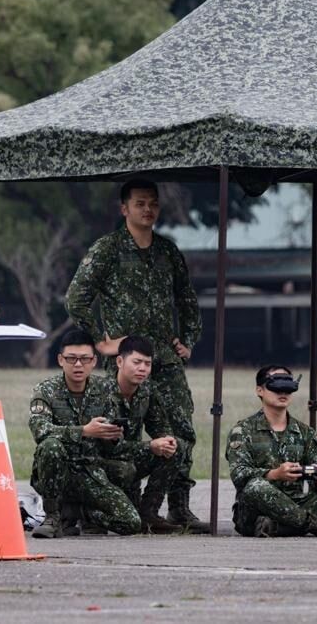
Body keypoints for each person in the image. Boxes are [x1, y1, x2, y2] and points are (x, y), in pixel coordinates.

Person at [66, 179, 206, 532]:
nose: (148, 209)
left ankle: (175, 508)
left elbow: (187, 300)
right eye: (140, 203)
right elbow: (76, 298)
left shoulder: (167, 251)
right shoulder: (108, 248)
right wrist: (101, 340)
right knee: (119, 433)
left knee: (180, 432)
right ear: (124, 208)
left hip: (165, 360)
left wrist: (188, 340)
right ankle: (120, 505)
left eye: (153, 203)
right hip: (126, 362)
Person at [28, 329, 141, 538]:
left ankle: (82, 513)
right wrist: (84, 431)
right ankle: (52, 517)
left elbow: (113, 443)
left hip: (90, 470)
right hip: (58, 471)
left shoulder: (105, 389)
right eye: (71, 359)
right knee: (50, 446)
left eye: (84, 359)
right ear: (61, 360)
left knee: (130, 522)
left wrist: (112, 436)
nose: (78, 365)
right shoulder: (46, 390)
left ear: (94, 361)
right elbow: (40, 430)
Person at [225, 365, 317, 538]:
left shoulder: (305, 432)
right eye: (276, 387)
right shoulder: (243, 431)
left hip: (296, 503)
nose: (283, 393)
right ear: (260, 390)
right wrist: (274, 474)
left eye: (288, 388)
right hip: (255, 510)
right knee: (255, 486)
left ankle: (277, 528)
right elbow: (239, 475)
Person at [101, 335, 184, 533]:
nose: (143, 369)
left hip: (129, 458)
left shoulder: (147, 390)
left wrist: (167, 441)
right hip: (102, 463)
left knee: (176, 448)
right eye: (136, 362)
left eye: (147, 364)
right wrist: (150, 446)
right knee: (124, 470)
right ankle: (89, 512)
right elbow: (109, 447)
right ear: (119, 362)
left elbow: (160, 426)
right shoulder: (100, 392)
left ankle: (149, 514)